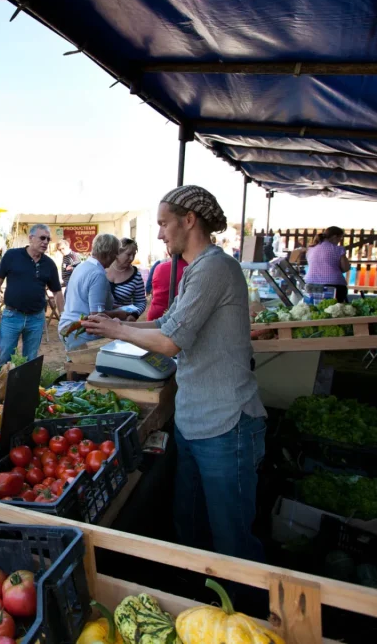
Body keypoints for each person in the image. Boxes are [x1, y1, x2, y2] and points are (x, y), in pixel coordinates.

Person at [82, 185, 267, 562]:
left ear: (189, 220)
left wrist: (118, 332)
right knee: (191, 524)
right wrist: (118, 321)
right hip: (197, 419)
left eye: (164, 224)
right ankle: (200, 603)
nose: (161, 233)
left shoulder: (215, 267)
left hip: (226, 423)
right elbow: (167, 322)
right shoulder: (195, 269)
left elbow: (171, 342)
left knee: (232, 541)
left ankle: (246, 611)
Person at [0, 224, 63, 367]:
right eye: (42, 238)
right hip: (12, 316)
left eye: (48, 239)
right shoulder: (12, 255)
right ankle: (1, 388)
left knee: (30, 361)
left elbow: (57, 291)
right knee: (4, 357)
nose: (45, 242)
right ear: (31, 238)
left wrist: (63, 316)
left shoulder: (49, 264)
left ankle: (25, 389)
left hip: (36, 318)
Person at [58, 233, 125, 350]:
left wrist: (113, 306)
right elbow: (96, 316)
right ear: (109, 254)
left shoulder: (81, 266)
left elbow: (79, 298)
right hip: (79, 331)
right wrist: (119, 313)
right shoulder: (98, 274)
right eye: (115, 253)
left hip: (67, 327)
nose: (116, 257)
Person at [305, 226, 350, 302]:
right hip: (334, 284)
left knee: (314, 307)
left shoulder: (310, 249)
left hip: (311, 283)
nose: (339, 241)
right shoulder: (338, 249)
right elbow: (345, 268)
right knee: (334, 309)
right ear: (335, 237)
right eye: (340, 238)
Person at [107, 238, 147, 320]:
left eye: (134, 254)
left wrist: (134, 315)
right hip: (100, 320)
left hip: (123, 323)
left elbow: (141, 302)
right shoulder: (102, 269)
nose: (132, 258)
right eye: (128, 254)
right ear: (117, 254)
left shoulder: (136, 276)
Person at [147, 252, 188, 321]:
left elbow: (148, 288)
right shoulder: (190, 268)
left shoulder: (158, 266)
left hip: (156, 313)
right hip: (178, 316)